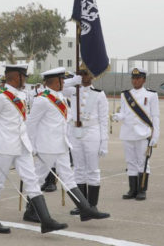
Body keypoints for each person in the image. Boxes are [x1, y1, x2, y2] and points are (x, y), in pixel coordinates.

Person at [0, 64, 67, 234]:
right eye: (23, 77)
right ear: (15, 77)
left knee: (32, 181)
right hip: (3, 146)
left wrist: (30, 143)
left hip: (22, 146)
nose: (25, 80)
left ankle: (46, 220)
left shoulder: (19, 95)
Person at [27, 67, 110, 223]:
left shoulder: (58, 96)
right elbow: (31, 124)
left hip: (61, 144)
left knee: (69, 178)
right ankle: (30, 211)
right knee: (38, 178)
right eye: (62, 79)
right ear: (56, 81)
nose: (65, 82)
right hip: (47, 146)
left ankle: (86, 210)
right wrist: (31, 146)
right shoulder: (42, 98)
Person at [63, 64, 111, 215]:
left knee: (92, 169)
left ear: (92, 76)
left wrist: (104, 142)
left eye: (85, 73)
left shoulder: (99, 94)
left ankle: (92, 205)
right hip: (75, 132)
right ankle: (81, 205)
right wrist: (73, 80)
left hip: (92, 132)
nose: (83, 76)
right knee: (78, 169)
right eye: (81, 73)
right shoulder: (72, 90)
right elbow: (59, 88)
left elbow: (104, 120)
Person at [112, 67, 160, 201]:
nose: (135, 80)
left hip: (143, 133)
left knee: (143, 162)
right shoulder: (125, 94)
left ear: (144, 79)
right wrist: (118, 116)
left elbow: (155, 116)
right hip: (127, 133)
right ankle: (132, 189)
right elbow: (124, 113)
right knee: (130, 162)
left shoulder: (151, 95)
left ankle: (142, 189)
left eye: (138, 78)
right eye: (133, 78)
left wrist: (155, 135)